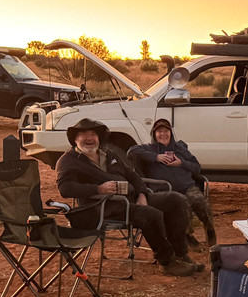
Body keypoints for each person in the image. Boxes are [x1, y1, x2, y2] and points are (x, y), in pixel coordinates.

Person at [56, 118, 201, 277]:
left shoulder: (109, 154)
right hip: (103, 206)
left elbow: (133, 175)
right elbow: (65, 188)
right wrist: (98, 188)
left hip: (131, 199)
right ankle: (167, 262)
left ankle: (180, 255)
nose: (89, 138)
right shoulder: (68, 160)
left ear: (99, 137)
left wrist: (142, 194)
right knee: (151, 214)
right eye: (84, 134)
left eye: (93, 134)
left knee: (176, 200)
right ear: (75, 138)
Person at [131, 117, 217, 248]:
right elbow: (131, 151)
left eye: (166, 131)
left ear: (171, 133)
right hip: (165, 190)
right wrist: (156, 157)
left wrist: (181, 163)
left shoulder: (180, 149)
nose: (163, 134)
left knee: (199, 202)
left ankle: (209, 229)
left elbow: (197, 168)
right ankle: (186, 235)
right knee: (182, 204)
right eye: (159, 131)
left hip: (186, 186)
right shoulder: (149, 149)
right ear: (154, 134)